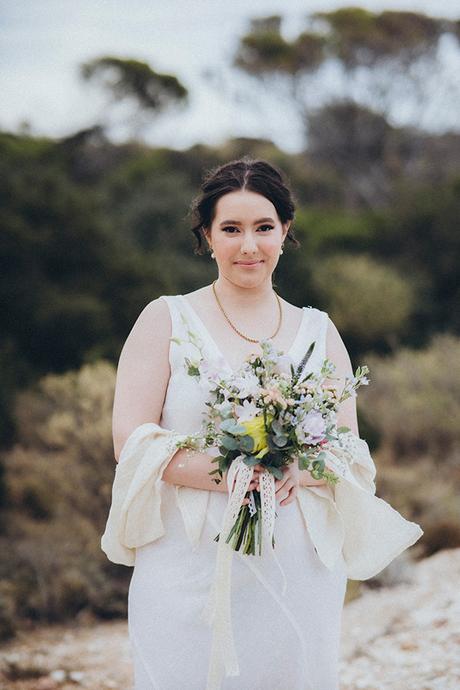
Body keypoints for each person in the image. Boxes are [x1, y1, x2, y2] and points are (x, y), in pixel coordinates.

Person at [103, 156, 422, 690]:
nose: (248, 245)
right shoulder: (166, 319)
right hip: (188, 556)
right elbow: (129, 440)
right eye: (230, 229)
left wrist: (296, 469)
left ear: (285, 232)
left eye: (263, 228)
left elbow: (348, 450)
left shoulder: (318, 332)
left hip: (295, 558)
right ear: (207, 236)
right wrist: (228, 472)